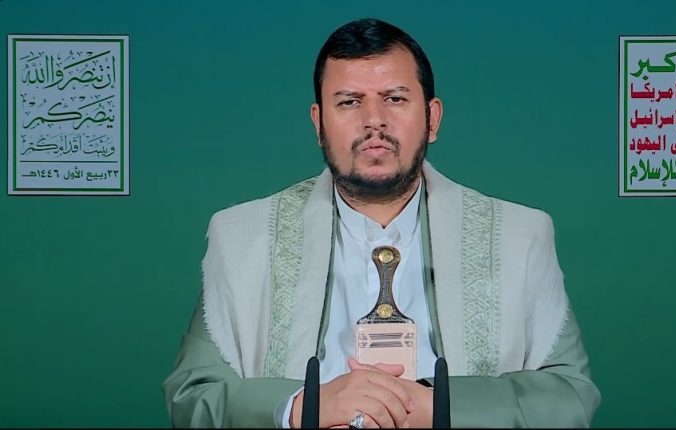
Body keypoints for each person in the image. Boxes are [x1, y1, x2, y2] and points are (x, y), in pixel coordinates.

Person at [162, 17, 601, 428]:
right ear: (318, 123)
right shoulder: (243, 236)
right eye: (349, 102)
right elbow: (193, 392)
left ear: (432, 118)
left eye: (394, 98)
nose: (374, 120)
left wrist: (440, 407)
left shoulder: (518, 236)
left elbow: (570, 395)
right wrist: (305, 405)